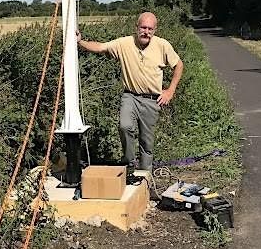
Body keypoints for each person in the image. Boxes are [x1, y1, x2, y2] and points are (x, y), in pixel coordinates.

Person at [76, 12, 183, 174]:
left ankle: (145, 178)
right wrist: (80, 41)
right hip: (130, 96)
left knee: (147, 141)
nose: (146, 32)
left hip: (152, 99)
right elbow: (100, 47)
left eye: (150, 29)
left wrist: (170, 91)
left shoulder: (162, 45)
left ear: (154, 30)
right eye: (143, 27)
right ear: (136, 28)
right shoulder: (124, 43)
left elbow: (178, 65)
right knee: (125, 126)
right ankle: (129, 164)